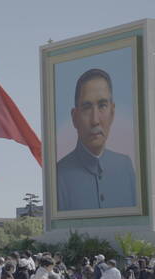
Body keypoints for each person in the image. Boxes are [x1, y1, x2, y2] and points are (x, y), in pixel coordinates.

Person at [57, 68, 136, 211]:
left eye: (102, 106)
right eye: (87, 108)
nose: (95, 120)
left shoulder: (125, 166)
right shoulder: (59, 175)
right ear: (75, 117)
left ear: (112, 112)